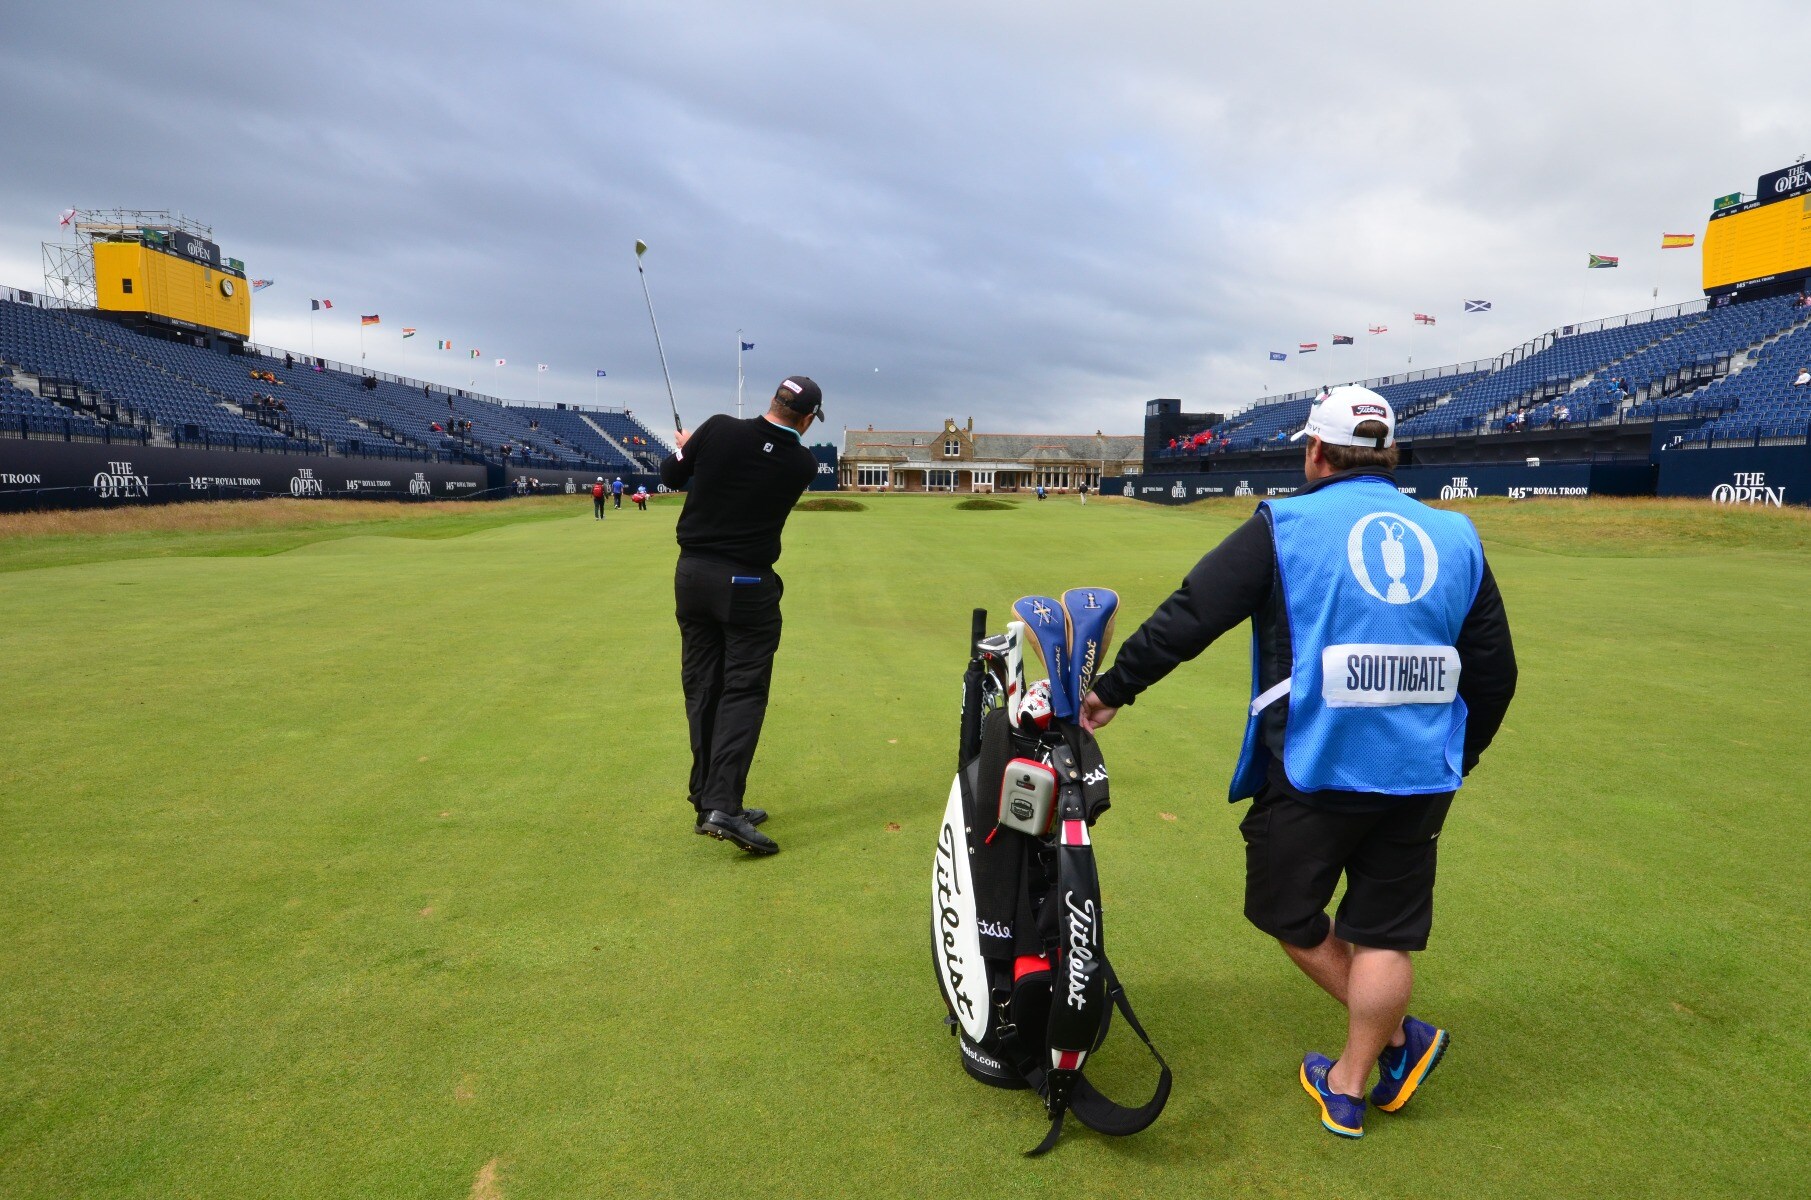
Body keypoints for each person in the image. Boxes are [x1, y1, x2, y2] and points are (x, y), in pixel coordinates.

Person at [1079, 385, 1517, 1140]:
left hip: (1317, 762)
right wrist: (1457, 754)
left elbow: (1193, 614)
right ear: (1388, 454)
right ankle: (1354, 1080)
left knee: (1286, 912)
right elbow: (1494, 672)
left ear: (1315, 451)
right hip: (1420, 771)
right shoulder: (1456, 533)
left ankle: (1376, 1058)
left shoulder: (1283, 524)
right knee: (1385, 933)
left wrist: (1112, 690)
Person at [661, 376, 823, 855]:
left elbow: (672, 476)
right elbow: (755, 463)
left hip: (692, 577)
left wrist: (690, 448)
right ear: (807, 419)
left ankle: (707, 799)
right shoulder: (802, 463)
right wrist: (700, 450)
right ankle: (723, 807)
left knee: (703, 686)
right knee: (743, 692)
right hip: (747, 586)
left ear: (773, 400)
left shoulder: (717, 429)